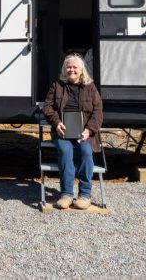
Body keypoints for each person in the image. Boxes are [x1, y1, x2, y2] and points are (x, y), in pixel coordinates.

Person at [42, 53, 103, 210]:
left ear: (81, 70)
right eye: (68, 67)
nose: (71, 70)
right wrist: (56, 123)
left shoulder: (90, 88)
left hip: (84, 133)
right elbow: (47, 107)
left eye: (75, 67)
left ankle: (84, 195)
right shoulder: (57, 86)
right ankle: (67, 194)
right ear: (64, 69)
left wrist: (89, 130)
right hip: (62, 131)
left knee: (85, 151)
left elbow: (98, 111)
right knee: (65, 150)